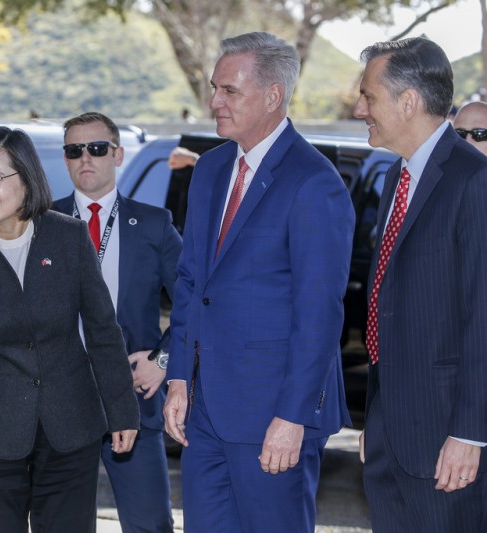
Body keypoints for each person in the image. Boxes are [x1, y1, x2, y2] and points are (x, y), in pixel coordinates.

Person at [162, 32, 354, 532]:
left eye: (229, 90)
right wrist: (179, 376)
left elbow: (320, 316)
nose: (214, 101)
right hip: (203, 413)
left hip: (274, 417)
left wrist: (292, 418)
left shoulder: (315, 182)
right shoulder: (210, 168)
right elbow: (190, 283)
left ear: (273, 96)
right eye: (214, 88)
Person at [0, 126, 139, 533]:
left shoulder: (69, 235)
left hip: (70, 426)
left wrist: (122, 410)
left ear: (26, 178)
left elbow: (102, 330)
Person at [354, 37, 487, 532]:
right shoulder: (395, 178)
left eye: (369, 96)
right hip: (392, 432)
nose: (359, 107)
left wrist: (471, 435)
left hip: (448, 441)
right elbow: (389, 307)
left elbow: (482, 316)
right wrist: (378, 419)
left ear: (408, 101)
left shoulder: (473, 180)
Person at [53, 112, 182, 532]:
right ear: (66, 158)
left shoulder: (153, 224)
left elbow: (197, 304)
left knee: (149, 524)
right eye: (75, 150)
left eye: (97, 148)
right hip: (58, 407)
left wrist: (162, 361)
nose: (85, 158)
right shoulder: (39, 224)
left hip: (133, 398)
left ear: (118, 154)